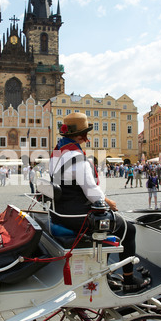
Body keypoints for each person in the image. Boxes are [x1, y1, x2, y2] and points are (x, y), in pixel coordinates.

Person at [50, 112, 150, 292]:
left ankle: (105, 272)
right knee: (128, 229)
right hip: (78, 217)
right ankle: (129, 279)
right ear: (82, 135)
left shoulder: (57, 153)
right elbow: (92, 193)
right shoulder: (78, 159)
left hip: (60, 213)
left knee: (111, 223)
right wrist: (108, 201)